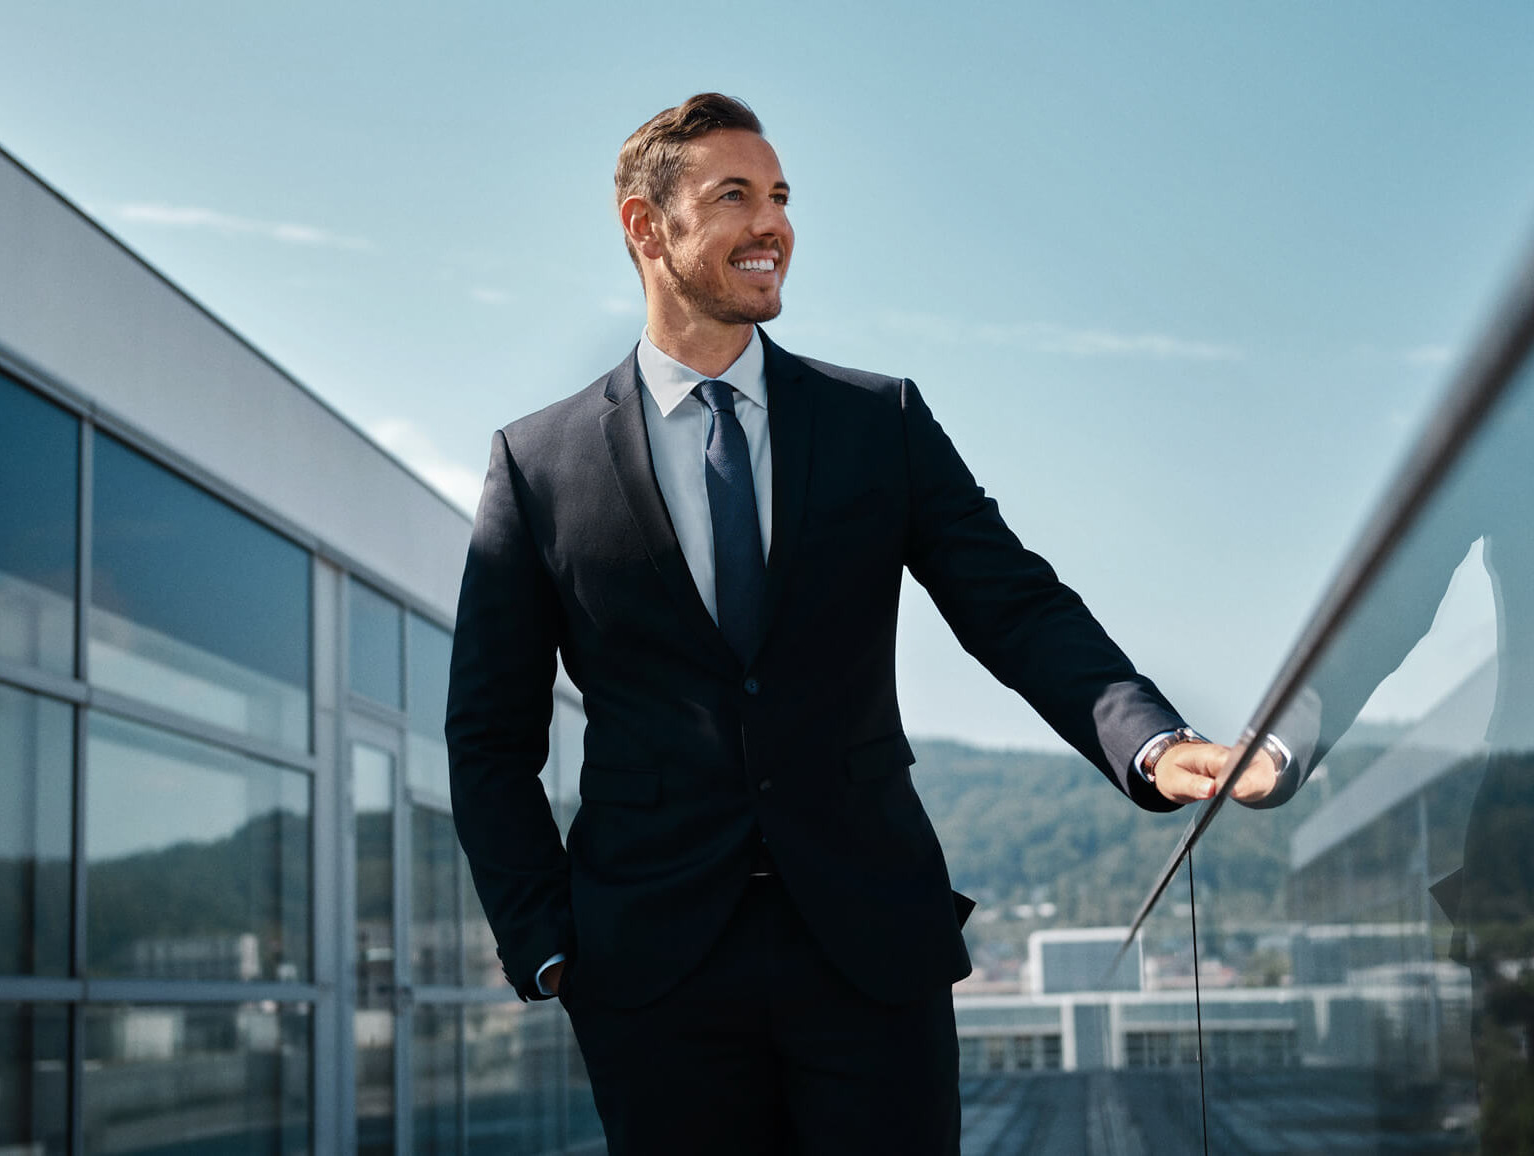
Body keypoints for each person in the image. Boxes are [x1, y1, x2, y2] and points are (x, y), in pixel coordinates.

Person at [446, 93, 1279, 1155]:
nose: (773, 225)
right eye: (734, 196)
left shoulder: (877, 423)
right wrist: (551, 948)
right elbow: (488, 736)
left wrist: (1152, 742)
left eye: (782, 197)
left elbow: (1012, 602)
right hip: (651, 974)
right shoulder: (538, 464)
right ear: (645, 229)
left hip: (869, 949)